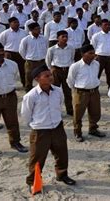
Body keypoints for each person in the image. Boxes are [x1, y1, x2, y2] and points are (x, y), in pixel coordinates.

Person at [21, 65, 76, 193]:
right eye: (46, 76)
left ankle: (62, 175)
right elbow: (26, 115)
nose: (50, 77)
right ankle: (33, 182)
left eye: (50, 75)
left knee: (62, 153)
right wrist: (37, 125)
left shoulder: (58, 91)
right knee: (37, 158)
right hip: (40, 130)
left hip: (57, 127)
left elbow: (60, 104)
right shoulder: (31, 96)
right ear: (37, 79)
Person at [67, 44, 105, 142]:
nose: (94, 55)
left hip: (94, 92)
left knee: (95, 112)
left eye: (94, 53)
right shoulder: (75, 66)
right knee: (78, 114)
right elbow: (70, 80)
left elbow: (96, 76)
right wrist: (76, 91)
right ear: (83, 54)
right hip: (81, 93)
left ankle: (93, 129)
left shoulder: (96, 64)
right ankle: (78, 132)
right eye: (90, 53)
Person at [46, 30, 75, 116]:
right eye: (63, 37)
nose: (65, 38)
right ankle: (55, 110)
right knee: (54, 92)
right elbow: (48, 60)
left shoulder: (71, 48)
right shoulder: (52, 49)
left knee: (68, 92)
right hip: (56, 71)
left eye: (66, 37)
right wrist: (51, 70)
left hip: (67, 70)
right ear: (57, 38)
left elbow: (72, 58)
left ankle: (69, 110)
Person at [0, 17, 27, 87]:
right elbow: (0, 44)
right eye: (15, 22)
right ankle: (9, 85)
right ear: (10, 24)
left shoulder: (24, 32)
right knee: (9, 70)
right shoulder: (4, 33)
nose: (17, 24)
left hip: (21, 53)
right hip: (9, 53)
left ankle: (25, 84)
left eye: (17, 22)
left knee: (23, 70)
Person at [20, 22, 48, 92]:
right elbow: (21, 51)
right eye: (36, 29)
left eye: (39, 29)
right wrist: (27, 59)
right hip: (30, 63)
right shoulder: (26, 40)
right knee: (29, 80)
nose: (39, 31)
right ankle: (28, 94)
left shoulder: (44, 38)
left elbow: (47, 48)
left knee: (43, 79)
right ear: (31, 30)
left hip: (42, 62)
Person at [91, 19, 110, 87]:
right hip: (100, 57)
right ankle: (95, 89)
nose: (107, 26)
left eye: (108, 25)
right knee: (97, 74)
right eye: (105, 25)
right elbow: (93, 46)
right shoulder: (96, 36)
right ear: (101, 26)